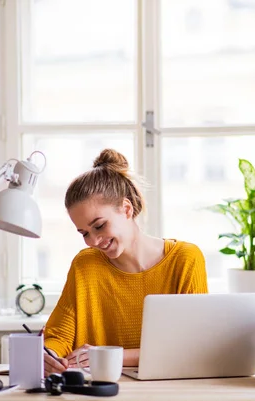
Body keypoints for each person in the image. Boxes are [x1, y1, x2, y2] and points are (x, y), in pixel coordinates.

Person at [43, 149, 208, 376]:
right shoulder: (85, 265)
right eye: (84, 233)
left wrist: (108, 355)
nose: (94, 241)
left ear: (127, 209)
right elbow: (59, 336)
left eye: (99, 226)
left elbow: (191, 346)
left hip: (170, 390)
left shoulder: (185, 259)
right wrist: (48, 355)